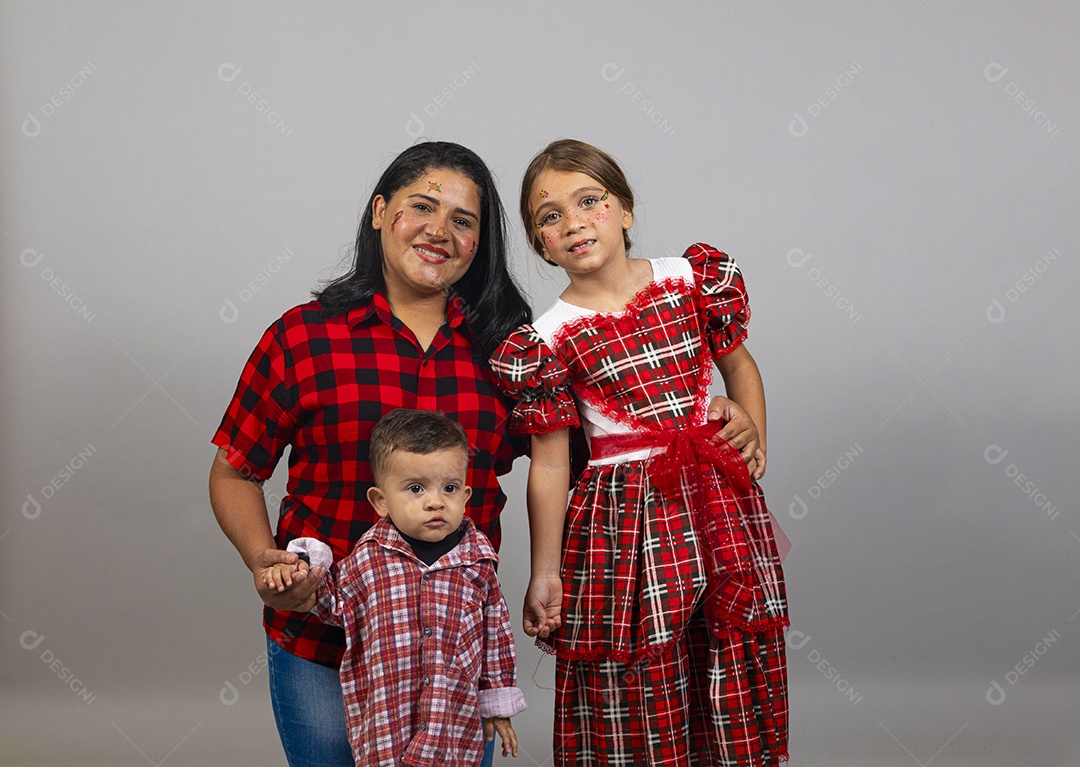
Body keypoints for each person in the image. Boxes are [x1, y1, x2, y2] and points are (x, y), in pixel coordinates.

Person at [209, 140, 762, 766]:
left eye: (463, 221)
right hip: (321, 643)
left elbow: (602, 456)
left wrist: (718, 414)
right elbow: (235, 470)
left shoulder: (507, 351)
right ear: (380, 211)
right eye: (422, 206)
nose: (439, 231)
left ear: (481, 243)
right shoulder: (302, 338)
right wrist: (263, 561)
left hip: (458, 658)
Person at [489, 139, 790, 766]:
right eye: (550, 217)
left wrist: (751, 433)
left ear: (624, 210)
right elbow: (548, 464)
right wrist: (545, 571)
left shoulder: (691, 280)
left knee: (724, 645)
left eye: (589, 201)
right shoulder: (545, 340)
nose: (573, 222)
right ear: (540, 243)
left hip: (713, 504)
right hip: (621, 518)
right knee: (640, 662)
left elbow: (738, 364)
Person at [276, 408, 526, 766]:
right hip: (386, 726)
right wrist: (305, 568)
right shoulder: (368, 558)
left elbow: (496, 636)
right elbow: (335, 606)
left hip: (453, 726)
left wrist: (498, 702)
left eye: (450, 488)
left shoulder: (479, 563)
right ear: (381, 501)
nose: (435, 501)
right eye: (415, 488)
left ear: (466, 495)